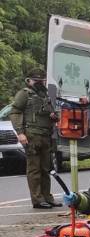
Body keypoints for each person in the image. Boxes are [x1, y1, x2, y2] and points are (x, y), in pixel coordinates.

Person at [10, 68, 60, 209]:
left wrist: (54, 116)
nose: (39, 83)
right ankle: (38, 200)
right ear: (29, 80)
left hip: (46, 136)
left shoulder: (46, 95)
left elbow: (54, 114)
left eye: (41, 80)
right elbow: (15, 112)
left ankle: (47, 197)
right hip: (31, 136)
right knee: (34, 169)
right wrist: (20, 132)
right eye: (36, 81)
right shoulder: (24, 94)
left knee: (46, 168)